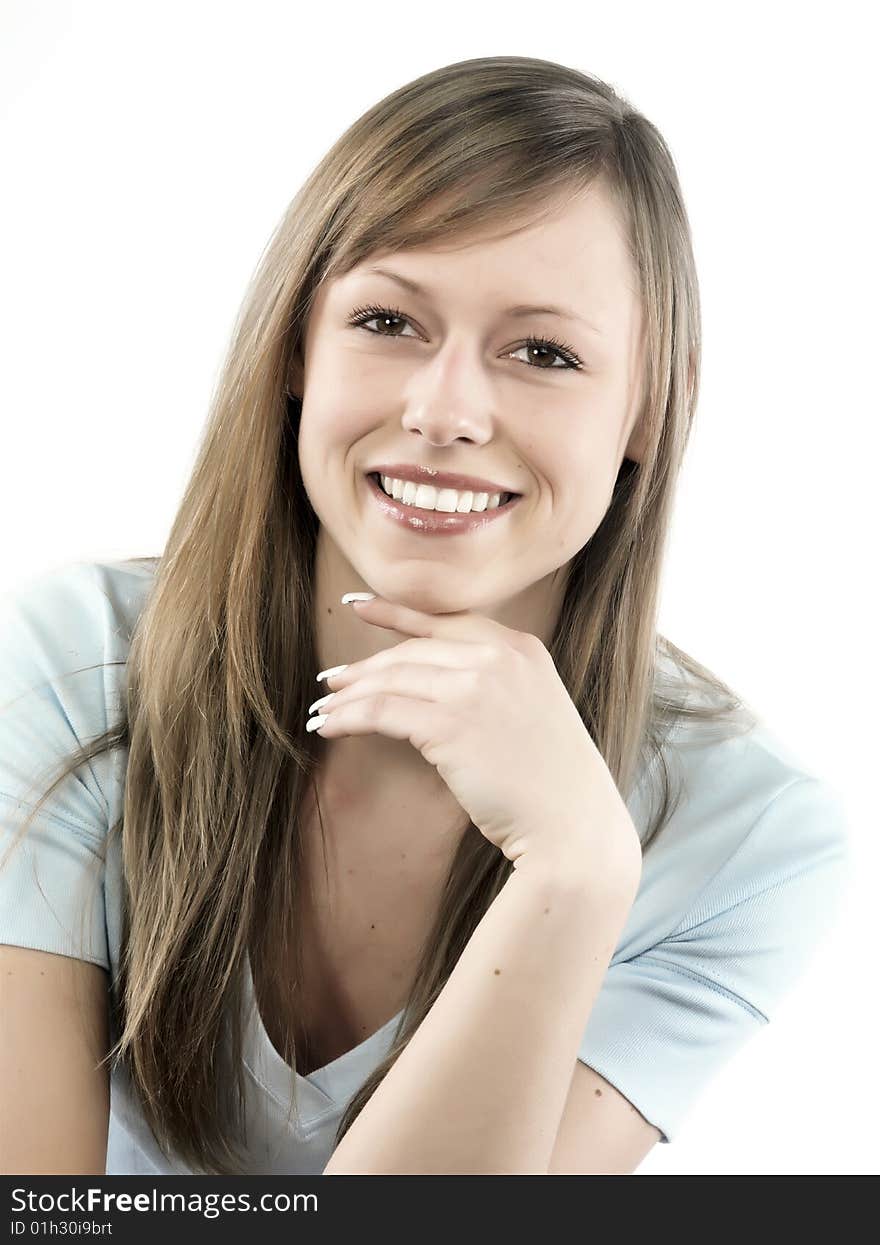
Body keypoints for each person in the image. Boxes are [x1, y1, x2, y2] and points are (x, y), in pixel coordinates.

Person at [0, 55, 851, 1177]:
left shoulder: (749, 833)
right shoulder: (78, 661)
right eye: (390, 320)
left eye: (543, 353)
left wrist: (574, 871)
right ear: (298, 347)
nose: (444, 410)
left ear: (649, 411)